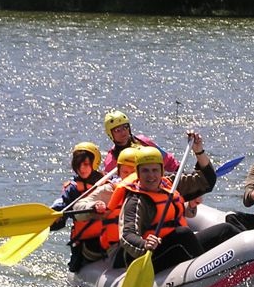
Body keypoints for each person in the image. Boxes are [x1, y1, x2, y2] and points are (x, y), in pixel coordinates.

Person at [119, 134, 242, 272]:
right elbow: (127, 235)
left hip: (179, 244)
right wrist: (144, 243)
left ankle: (253, 265)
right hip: (151, 254)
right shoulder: (135, 200)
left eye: (155, 170)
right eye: (145, 171)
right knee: (183, 234)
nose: (151, 176)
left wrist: (198, 150)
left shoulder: (171, 184)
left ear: (162, 171)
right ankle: (210, 274)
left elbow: (207, 181)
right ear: (138, 173)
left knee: (225, 230)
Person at [71, 147, 139, 271]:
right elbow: (78, 207)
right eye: (125, 172)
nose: (130, 178)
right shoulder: (108, 191)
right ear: (119, 172)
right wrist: (93, 206)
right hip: (115, 247)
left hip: (144, 242)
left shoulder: (152, 187)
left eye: (133, 173)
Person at [50, 142, 108, 271]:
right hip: (84, 242)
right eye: (78, 165)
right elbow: (62, 205)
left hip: (108, 239)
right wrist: (56, 215)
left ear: (94, 163)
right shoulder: (72, 188)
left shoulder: (106, 183)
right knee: (75, 267)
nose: (82, 168)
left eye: (86, 164)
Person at [102, 110, 179, 173]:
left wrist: (177, 169)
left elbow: (167, 160)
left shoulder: (143, 141)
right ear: (110, 134)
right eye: (117, 130)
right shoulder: (111, 160)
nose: (123, 132)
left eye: (125, 127)